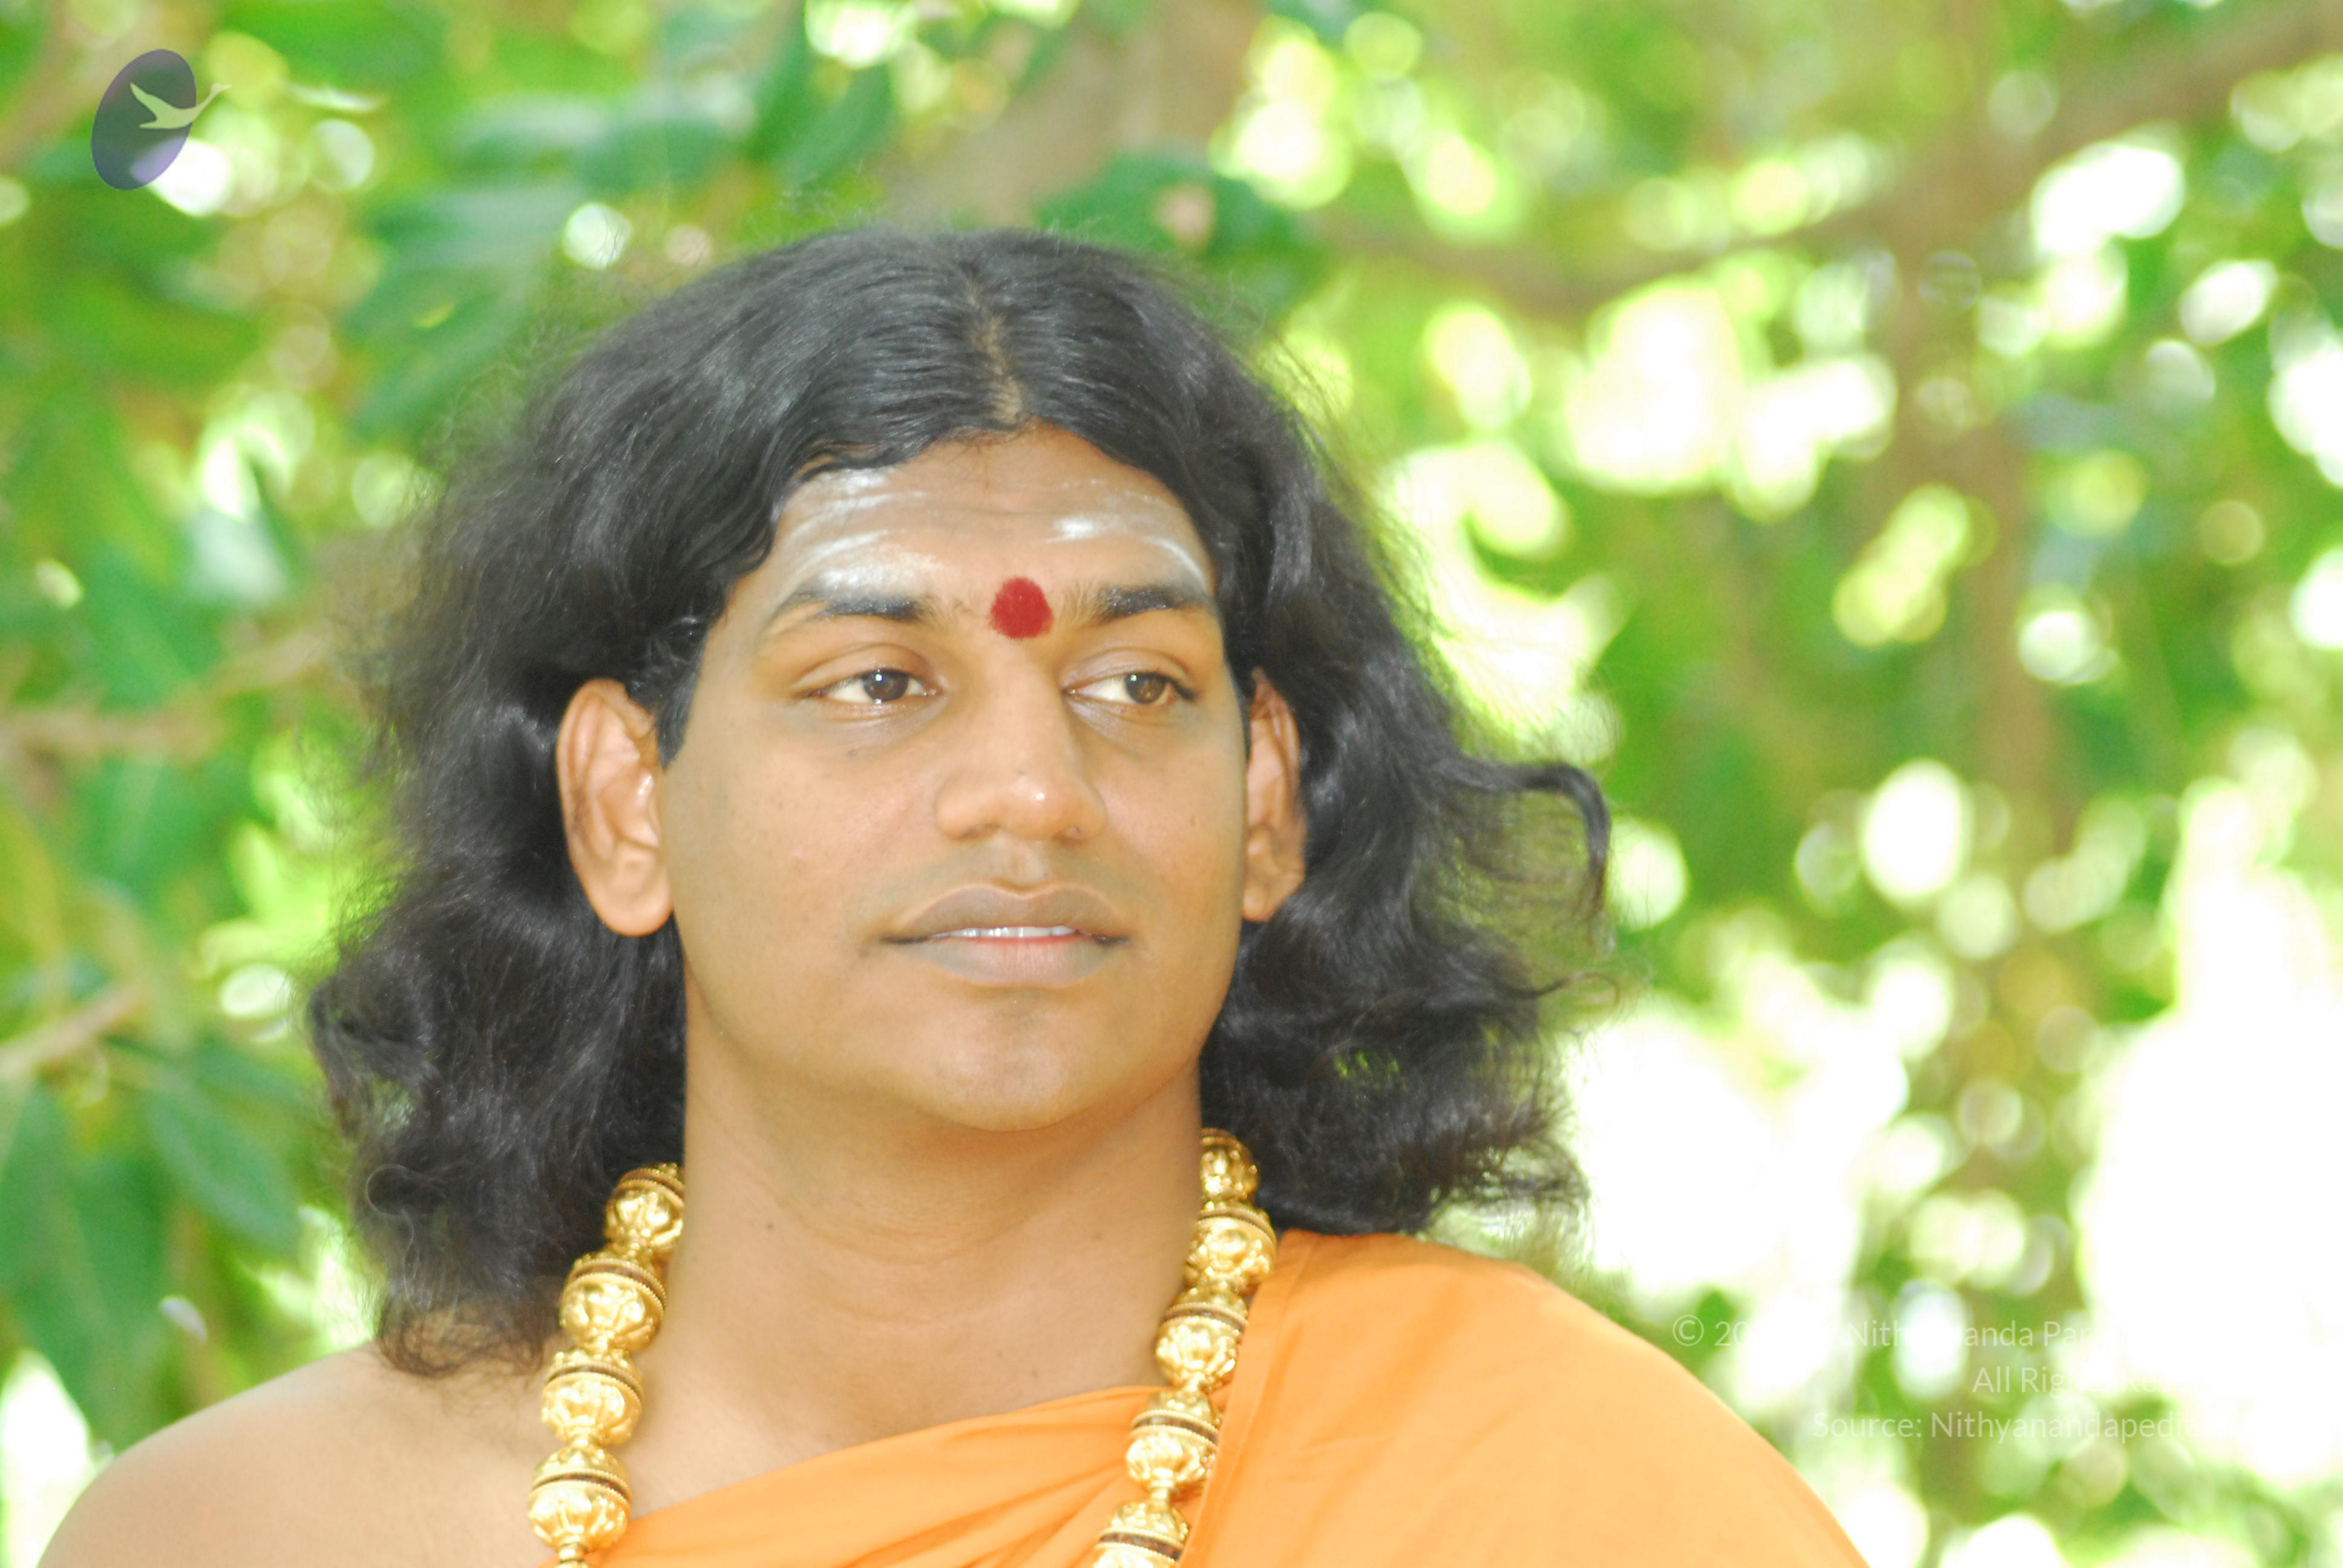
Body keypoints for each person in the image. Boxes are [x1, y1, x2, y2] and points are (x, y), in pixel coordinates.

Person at [42, 225, 1868, 1567]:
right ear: (624, 802)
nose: (1032, 790)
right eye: (878, 682)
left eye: (1135, 684)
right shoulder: (242, 1538)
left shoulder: (1566, 1495)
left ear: (1263, 803)